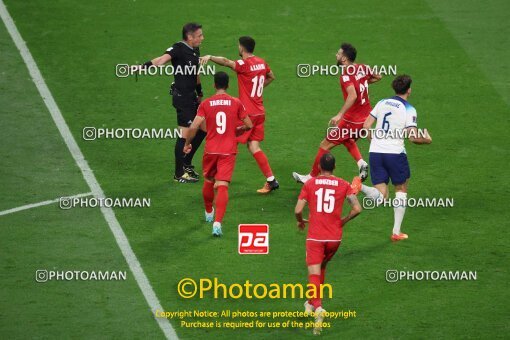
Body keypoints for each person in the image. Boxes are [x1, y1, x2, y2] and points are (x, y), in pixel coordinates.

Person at [351, 75, 432, 241]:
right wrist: (427, 140)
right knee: (401, 189)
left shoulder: (382, 102)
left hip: (375, 153)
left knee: (382, 196)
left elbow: (366, 126)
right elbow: (413, 137)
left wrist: (374, 141)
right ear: (409, 90)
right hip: (395, 154)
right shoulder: (409, 109)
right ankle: (396, 232)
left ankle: (361, 188)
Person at [293, 43, 381, 184]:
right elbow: (378, 77)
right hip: (366, 118)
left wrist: (339, 114)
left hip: (352, 120)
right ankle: (361, 163)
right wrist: (362, 82)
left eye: (339, 54)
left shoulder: (346, 75)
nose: (336, 55)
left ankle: (310, 177)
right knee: (347, 139)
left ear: (344, 59)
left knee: (325, 144)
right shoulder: (363, 68)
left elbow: (352, 96)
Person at [200, 36, 279, 194]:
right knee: (253, 146)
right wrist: (257, 89)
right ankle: (271, 180)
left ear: (242, 48)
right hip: (260, 111)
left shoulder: (244, 64)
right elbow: (271, 77)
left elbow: (226, 62)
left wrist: (210, 57)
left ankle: (218, 178)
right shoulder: (262, 62)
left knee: (228, 140)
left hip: (247, 113)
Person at [294, 153, 361, 335]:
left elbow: (298, 209)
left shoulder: (310, 183)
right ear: (334, 167)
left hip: (316, 237)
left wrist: (300, 221)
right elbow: (357, 209)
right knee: (322, 266)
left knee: (313, 273)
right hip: (334, 238)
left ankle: (318, 308)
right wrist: (343, 221)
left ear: (319, 167)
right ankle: (310, 302)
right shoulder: (343, 184)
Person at [184, 72, 252, 236]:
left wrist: (187, 144)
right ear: (228, 86)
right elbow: (249, 124)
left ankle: (208, 212)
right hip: (228, 151)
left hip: (211, 149)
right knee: (222, 186)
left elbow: (194, 127)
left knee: (208, 181)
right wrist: (238, 130)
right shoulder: (236, 102)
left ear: (214, 85)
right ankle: (217, 224)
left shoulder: (206, 104)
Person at [138, 22, 206, 183]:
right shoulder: (178, 48)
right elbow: (161, 60)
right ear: (190, 37)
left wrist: (200, 92)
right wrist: (141, 67)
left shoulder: (195, 50)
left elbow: (195, 73)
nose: (202, 38)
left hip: (192, 96)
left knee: (203, 128)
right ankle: (178, 173)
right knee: (185, 134)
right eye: (199, 35)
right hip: (182, 98)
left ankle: (186, 163)